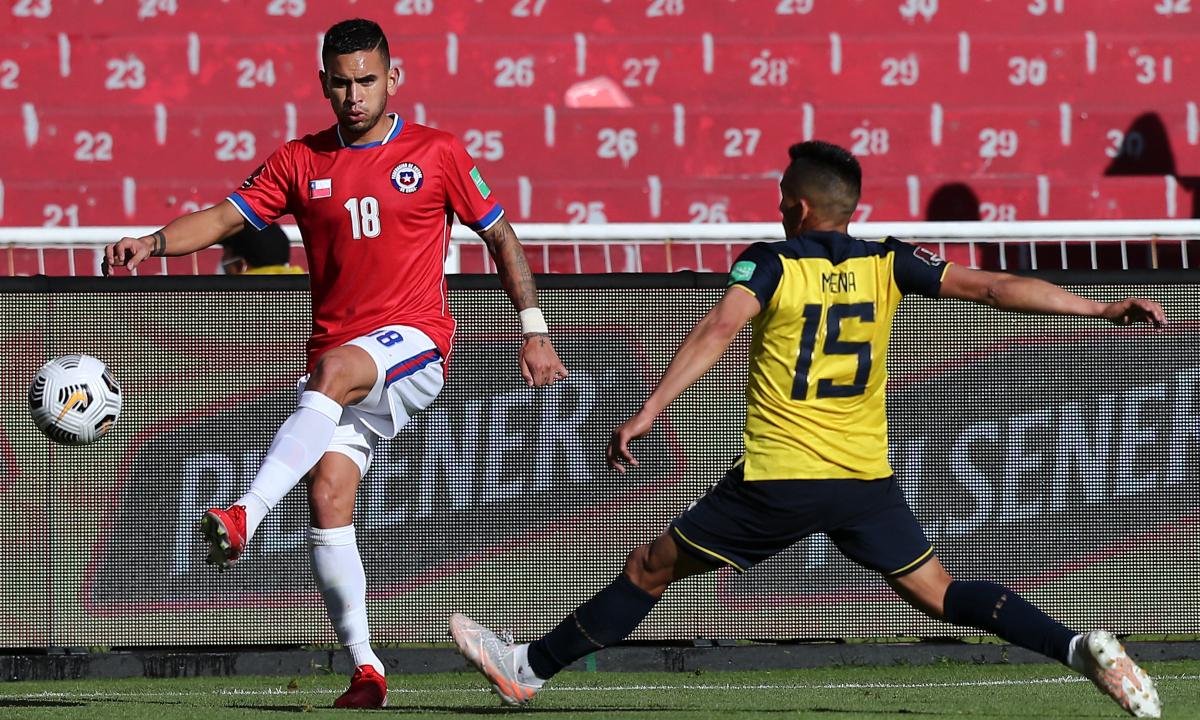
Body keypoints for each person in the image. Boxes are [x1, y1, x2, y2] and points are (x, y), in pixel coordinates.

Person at [449, 141, 1165, 718]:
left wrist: (649, 411)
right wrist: (1099, 310)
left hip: (780, 479)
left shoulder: (771, 260)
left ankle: (528, 670)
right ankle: (1077, 647)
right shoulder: (890, 261)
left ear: (794, 206)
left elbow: (718, 329)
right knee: (942, 593)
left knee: (650, 566)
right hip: (863, 482)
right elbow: (995, 288)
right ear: (850, 209)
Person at [103, 18, 567, 710]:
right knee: (329, 496)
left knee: (334, 374)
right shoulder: (298, 161)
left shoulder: (437, 153)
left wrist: (533, 330)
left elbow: (499, 234)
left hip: (415, 342)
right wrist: (153, 240)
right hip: (340, 358)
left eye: (368, 80)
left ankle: (246, 516)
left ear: (394, 78)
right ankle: (366, 668)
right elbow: (226, 219)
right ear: (324, 83)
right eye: (342, 83)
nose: (355, 95)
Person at [220, 222, 304, 275]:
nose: (223, 258)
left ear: (240, 265)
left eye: (226, 252)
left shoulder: (237, 300)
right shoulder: (308, 292)